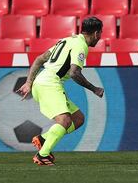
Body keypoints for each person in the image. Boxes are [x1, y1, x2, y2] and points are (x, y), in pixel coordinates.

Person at [17, 16, 104, 166]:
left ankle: (44, 139)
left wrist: (29, 82)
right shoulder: (81, 45)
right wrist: (94, 89)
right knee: (64, 120)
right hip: (49, 83)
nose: (100, 37)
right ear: (96, 33)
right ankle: (42, 155)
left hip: (42, 81)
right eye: (100, 33)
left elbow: (39, 59)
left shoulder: (67, 40)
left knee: (77, 119)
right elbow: (74, 73)